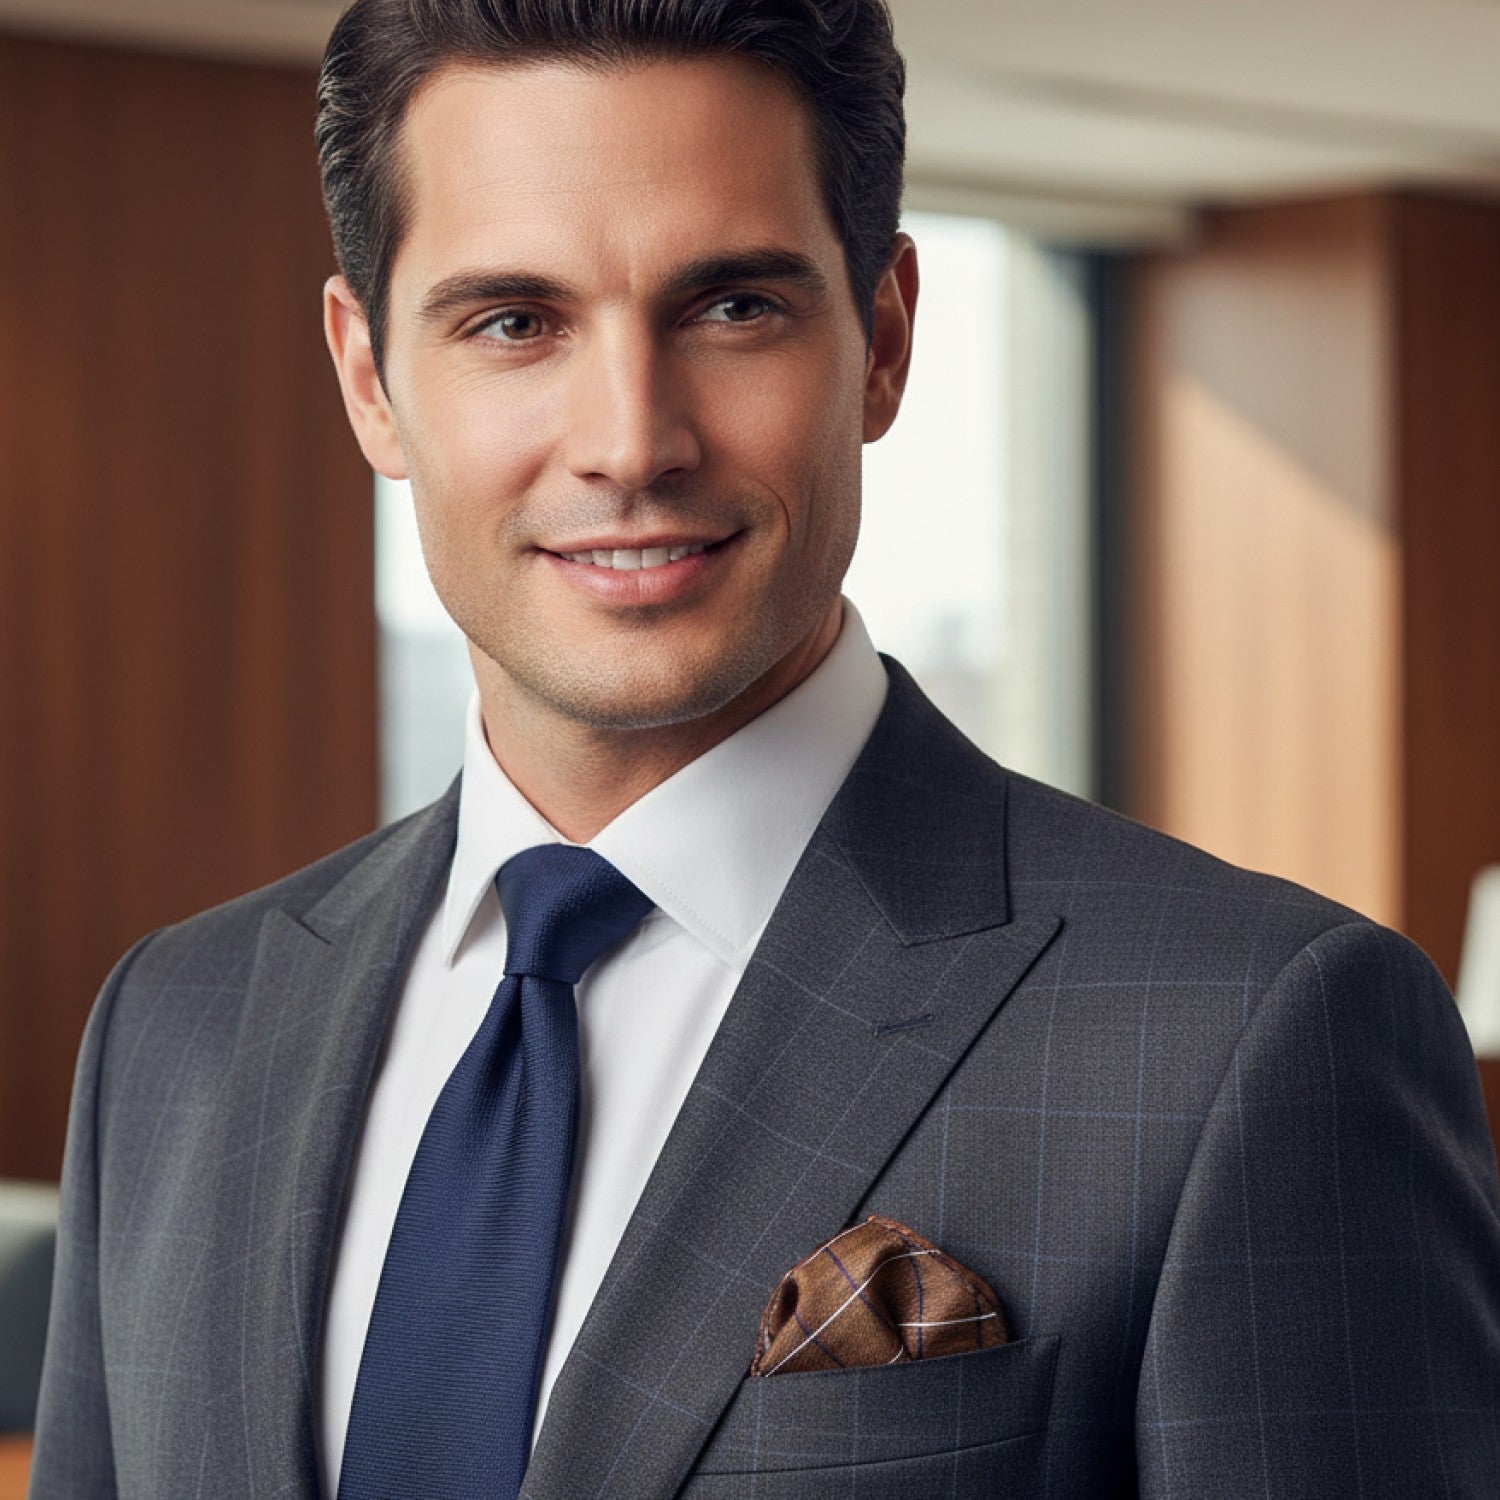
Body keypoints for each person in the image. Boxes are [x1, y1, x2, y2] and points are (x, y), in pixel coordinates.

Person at [28, 0, 1500, 1495]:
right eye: (514, 323)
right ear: (369, 376)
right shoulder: (178, 1027)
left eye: (732, 307)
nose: (631, 440)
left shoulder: (1246, 1034)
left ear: (883, 340)